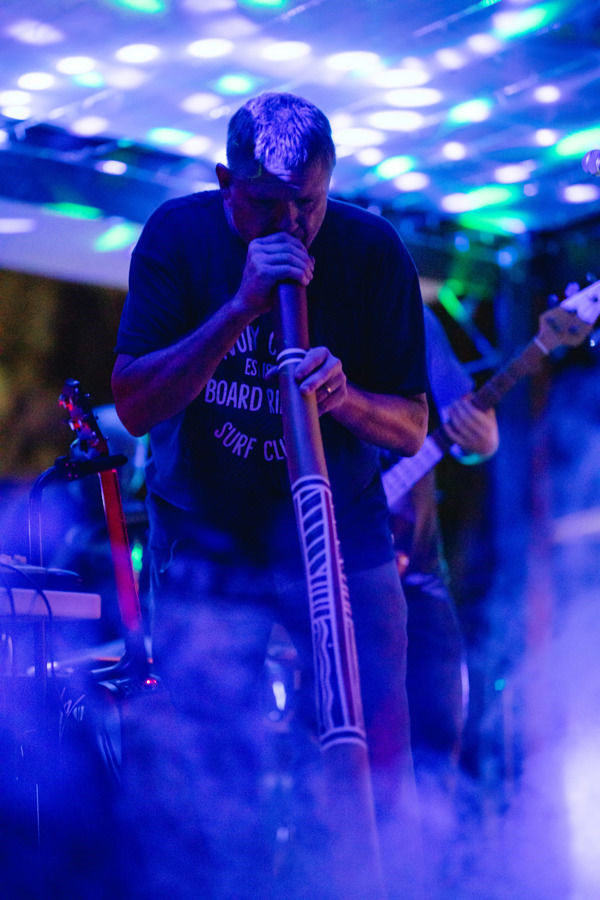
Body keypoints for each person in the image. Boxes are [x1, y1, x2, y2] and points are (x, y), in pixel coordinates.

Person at [111, 92, 428, 900]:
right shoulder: (177, 236)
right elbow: (138, 404)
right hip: (212, 541)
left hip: (338, 536)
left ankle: (365, 882)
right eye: (266, 205)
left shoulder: (372, 250)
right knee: (214, 755)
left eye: (309, 205)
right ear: (227, 183)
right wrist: (239, 307)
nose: (291, 226)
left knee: (373, 739)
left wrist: (346, 399)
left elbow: (411, 426)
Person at [383, 305, 499, 894]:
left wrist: (481, 436)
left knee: (437, 740)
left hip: (419, 574)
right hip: (328, 574)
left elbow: (474, 430)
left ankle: (434, 881)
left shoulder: (408, 312)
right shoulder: (284, 307)